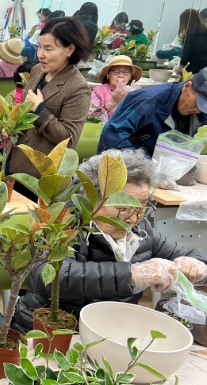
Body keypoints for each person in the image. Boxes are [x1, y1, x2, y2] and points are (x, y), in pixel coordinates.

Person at [13, 149, 207, 333]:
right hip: (54, 332)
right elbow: (54, 277)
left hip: (112, 331)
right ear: (92, 198)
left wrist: (194, 263)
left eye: (142, 207)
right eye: (123, 208)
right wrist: (132, 275)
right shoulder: (64, 223)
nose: (132, 219)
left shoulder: (140, 231)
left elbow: (191, 254)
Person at [10, 17, 91, 179]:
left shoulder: (78, 87)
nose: (41, 54)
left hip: (42, 174)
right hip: (14, 161)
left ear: (69, 50)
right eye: (39, 47)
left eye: (49, 49)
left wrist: (40, 110)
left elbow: (68, 140)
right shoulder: (37, 71)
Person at [98, 66, 207, 156]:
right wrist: (141, 164)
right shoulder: (147, 101)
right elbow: (112, 135)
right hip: (125, 161)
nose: (198, 111)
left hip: (164, 165)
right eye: (198, 103)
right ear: (187, 86)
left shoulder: (200, 111)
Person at [89, 55, 142, 123]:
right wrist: (113, 102)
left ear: (130, 76)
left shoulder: (137, 91)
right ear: (108, 74)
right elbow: (91, 118)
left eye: (126, 72)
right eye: (116, 71)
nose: (121, 75)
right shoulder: (97, 92)